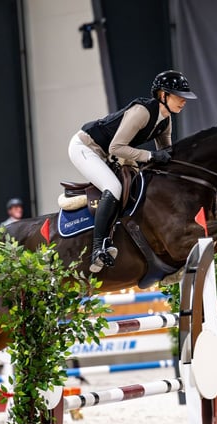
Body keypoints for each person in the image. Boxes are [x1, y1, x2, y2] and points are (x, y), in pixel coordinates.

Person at [68, 69, 197, 273]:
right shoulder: (142, 112)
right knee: (113, 187)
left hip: (106, 153)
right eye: (179, 96)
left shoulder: (165, 120)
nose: (184, 101)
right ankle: (98, 248)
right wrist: (151, 156)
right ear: (163, 95)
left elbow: (166, 153)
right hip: (85, 147)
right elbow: (116, 147)